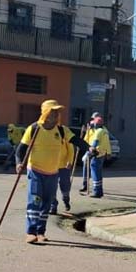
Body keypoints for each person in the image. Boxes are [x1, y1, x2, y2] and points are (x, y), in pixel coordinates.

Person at [16, 100, 88, 244]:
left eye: (57, 113)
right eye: (52, 112)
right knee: (35, 199)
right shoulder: (34, 128)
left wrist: (89, 148)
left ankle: (41, 232)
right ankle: (31, 232)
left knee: (47, 202)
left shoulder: (61, 130)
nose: (56, 115)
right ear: (45, 113)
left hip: (53, 172)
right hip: (35, 170)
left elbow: (76, 140)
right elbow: (21, 150)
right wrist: (19, 163)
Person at [87, 115, 112, 198]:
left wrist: (90, 151)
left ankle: (96, 191)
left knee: (95, 173)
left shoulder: (98, 132)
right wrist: (109, 153)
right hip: (102, 154)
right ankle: (100, 191)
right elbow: (107, 143)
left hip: (97, 154)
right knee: (99, 173)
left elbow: (95, 143)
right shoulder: (105, 131)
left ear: (96, 124)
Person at [50, 134, 75, 215]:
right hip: (51, 166)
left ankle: (66, 200)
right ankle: (53, 206)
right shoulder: (47, 133)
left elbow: (70, 150)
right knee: (51, 186)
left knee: (65, 185)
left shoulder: (64, 133)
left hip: (64, 166)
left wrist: (70, 161)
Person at [79, 112, 100, 193]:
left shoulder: (100, 129)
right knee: (85, 165)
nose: (93, 121)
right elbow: (86, 138)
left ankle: (96, 188)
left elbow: (98, 139)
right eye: (92, 119)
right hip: (89, 148)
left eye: (94, 119)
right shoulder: (90, 128)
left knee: (95, 169)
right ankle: (85, 184)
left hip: (96, 150)